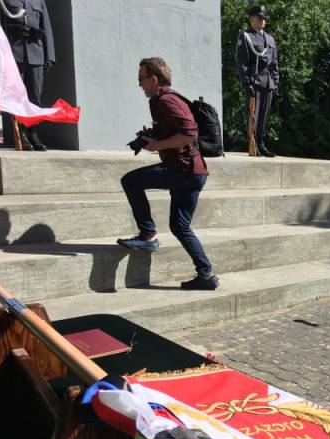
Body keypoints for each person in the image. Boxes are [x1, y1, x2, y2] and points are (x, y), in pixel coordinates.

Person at [116, 57, 219, 291]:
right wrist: (150, 137)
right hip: (194, 172)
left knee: (130, 181)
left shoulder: (166, 100)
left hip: (183, 170)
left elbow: (189, 134)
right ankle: (206, 275)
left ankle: (147, 235)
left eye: (141, 79)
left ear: (153, 79)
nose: (139, 84)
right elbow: (176, 131)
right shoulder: (163, 100)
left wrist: (157, 145)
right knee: (180, 226)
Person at [0, 0, 54, 150]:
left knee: (35, 97)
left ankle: (33, 133)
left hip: (36, 53)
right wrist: (0, 56)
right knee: (17, 97)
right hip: (14, 54)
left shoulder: (39, 1)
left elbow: (46, 27)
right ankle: (22, 134)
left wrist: (50, 56)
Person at [235, 5, 279, 157]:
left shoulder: (270, 39)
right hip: (255, 81)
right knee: (253, 115)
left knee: (264, 116)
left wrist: (275, 82)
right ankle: (253, 143)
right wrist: (247, 83)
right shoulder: (246, 36)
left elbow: (274, 63)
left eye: (264, 18)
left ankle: (261, 142)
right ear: (251, 19)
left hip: (268, 82)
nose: (262, 20)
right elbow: (242, 62)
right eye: (259, 17)